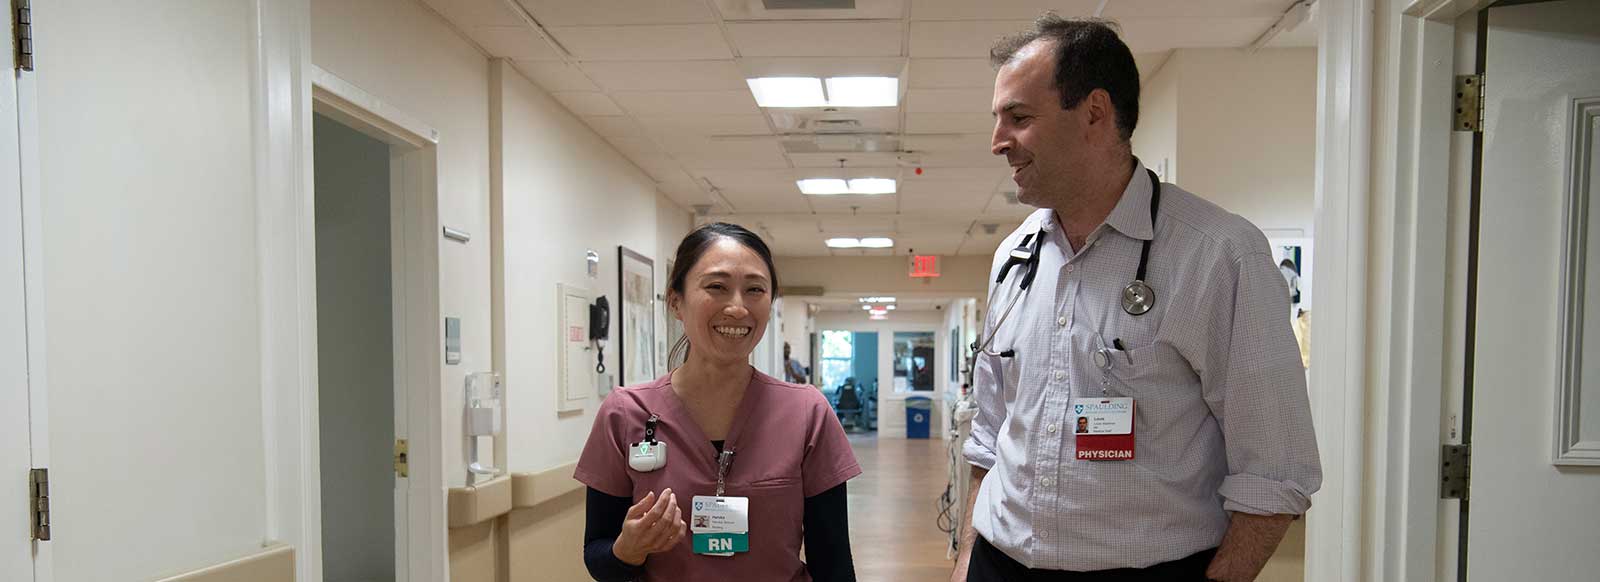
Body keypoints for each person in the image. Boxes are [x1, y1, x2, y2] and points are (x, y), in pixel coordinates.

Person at [953, 15, 1322, 582]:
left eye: (1019, 118)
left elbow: (1276, 469)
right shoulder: (1015, 257)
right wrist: (965, 562)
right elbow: (990, 434)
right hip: (999, 562)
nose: (998, 141)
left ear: (1095, 113)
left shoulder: (1218, 254)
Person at [576, 222, 861, 582]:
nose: (738, 308)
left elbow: (833, 561)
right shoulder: (625, 414)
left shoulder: (807, 413)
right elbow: (597, 555)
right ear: (676, 301)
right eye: (717, 287)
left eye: (755, 289)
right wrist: (627, 550)